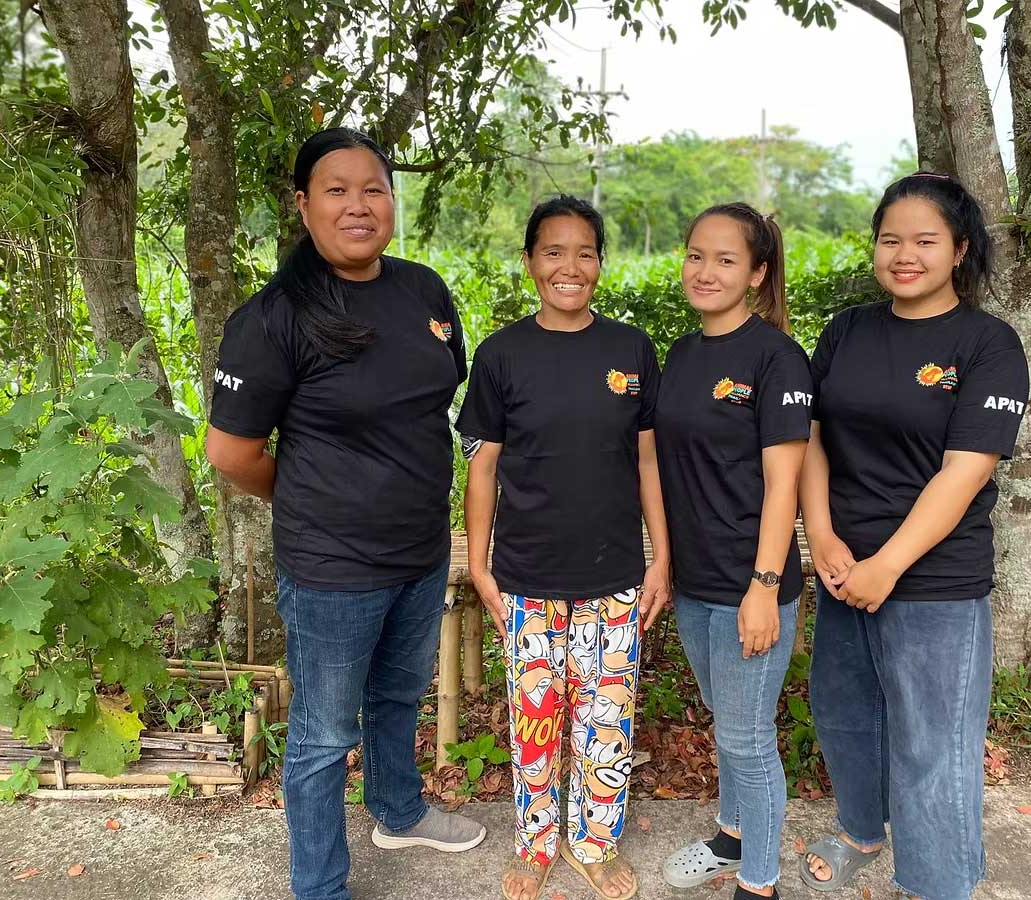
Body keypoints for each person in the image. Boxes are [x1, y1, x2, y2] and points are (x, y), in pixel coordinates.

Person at [205, 127, 485, 900]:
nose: (359, 205)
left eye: (374, 188)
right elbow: (231, 455)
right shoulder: (273, 319)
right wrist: (304, 501)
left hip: (422, 551)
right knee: (325, 737)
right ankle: (320, 885)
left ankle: (398, 809)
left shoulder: (424, 290)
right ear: (303, 205)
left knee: (398, 697)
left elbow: (434, 403)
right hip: (332, 571)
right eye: (337, 190)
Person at [798, 173, 1028, 900]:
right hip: (844, 569)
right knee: (844, 715)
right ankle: (864, 830)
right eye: (891, 239)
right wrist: (825, 538)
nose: (905, 254)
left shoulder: (988, 344)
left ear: (959, 250)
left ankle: (937, 882)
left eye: (925, 240)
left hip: (934, 581)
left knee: (934, 746)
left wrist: (888, 565)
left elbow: (964, 472)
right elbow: (810, 439)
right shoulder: (847, 331)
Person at [457, 195, 671, 900]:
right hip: (525, 580)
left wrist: (659, 557)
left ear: (600, 265)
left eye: (584, 252)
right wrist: (482, 565)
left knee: (606, 724)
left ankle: (595, 844)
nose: (569, 267)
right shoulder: (501, 355)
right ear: (529, 263)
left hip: (612, 578)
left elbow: (647, 462)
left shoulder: (631, 349)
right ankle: (535, 843)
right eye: (553, 252)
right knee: (536, 722)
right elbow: (482, 465)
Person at [657, 203, 813, 900]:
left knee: (749, 740)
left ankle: (760, 882)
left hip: (755, 584)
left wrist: (764, 583)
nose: (706, 271)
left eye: (726, 259)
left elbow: (786, 483)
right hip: (696, 580)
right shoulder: (684, 355)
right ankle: (730, 835)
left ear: (757, 273)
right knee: (728, 724)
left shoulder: (777, 357)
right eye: (696, 255)